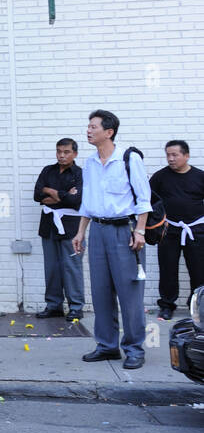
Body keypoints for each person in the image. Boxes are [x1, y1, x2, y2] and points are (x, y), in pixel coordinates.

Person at [73, 110, 151, 369]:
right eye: (88, 126)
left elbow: (143, 200)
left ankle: (134, 348)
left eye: (93, 126)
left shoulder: (129, 159)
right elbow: (87, 202)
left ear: (109, 132)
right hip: (98, 230)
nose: (88, 130)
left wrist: (139, 231)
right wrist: (81, 232)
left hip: (124, 231)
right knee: (101, 291)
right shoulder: (90, 162)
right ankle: (107, 346)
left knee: (129, 294)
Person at [149, 139, 204, 321]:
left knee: (198, 270)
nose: (170, 159)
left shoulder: (199, 176)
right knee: (167, 269)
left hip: (195, 230)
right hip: (168, 230)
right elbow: (149, 201)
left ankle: (197, 306)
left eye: (175, 155)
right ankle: (167, 305)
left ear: (186, 156)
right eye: (168, 155)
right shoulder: (160, 177)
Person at [33, 138, 85, 319]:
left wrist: (51, 192)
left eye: (66, 152)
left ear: (75, 154)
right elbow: (37, 195)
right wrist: (61, 195)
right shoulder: (48, 170)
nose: (61, 155)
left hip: (71, 226)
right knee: (52, 267)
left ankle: (76, 306)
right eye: (59, 151)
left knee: (72, 267)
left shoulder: (79, 174)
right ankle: (53, 305)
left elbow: (76, 200)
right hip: (48, 224)